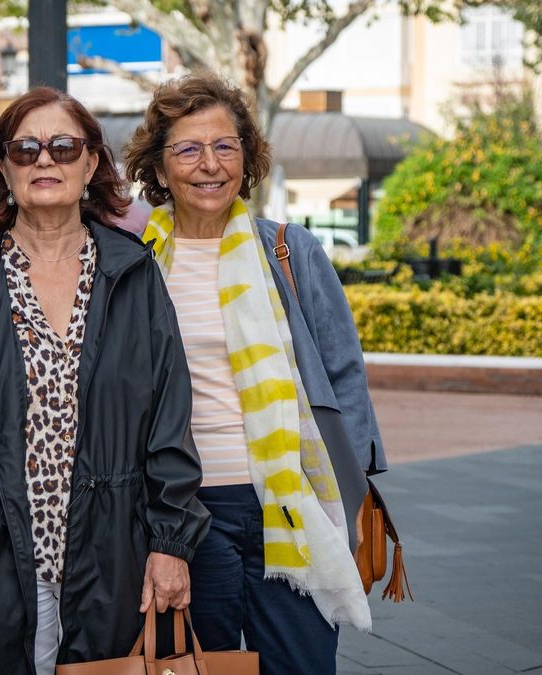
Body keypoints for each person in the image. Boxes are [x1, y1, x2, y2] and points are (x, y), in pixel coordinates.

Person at [0, 87, 210, 675]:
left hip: (111, 560)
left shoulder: (132, 272)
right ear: (3, 167)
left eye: (64, 147)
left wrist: (170, 544)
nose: (45, 160)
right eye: (25, 149)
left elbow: (169, 417)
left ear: (92, 163)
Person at [124, 72, 387, 674]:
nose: (209, 164)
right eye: (188, 149)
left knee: (301, 663)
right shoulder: (135, 264)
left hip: (288, 504)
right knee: (198, 668)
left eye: (225, 146)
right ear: (160, 170)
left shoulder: (290, 251)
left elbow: (343, 372)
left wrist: (347, 495)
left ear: (247, 157)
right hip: (182, 514)